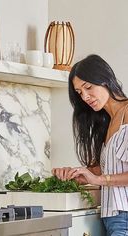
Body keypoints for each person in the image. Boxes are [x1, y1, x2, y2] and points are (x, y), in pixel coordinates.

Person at [52, 54, 128, 236]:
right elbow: (110, 168)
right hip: (112, 217)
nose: (85, 96)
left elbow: (105, 177)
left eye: (88, 87)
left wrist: (98, 180)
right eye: (79, 92)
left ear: (105, 80)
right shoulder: (106, 121)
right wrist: (79, 174)